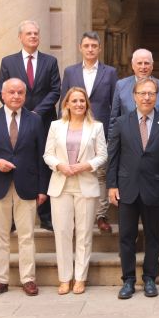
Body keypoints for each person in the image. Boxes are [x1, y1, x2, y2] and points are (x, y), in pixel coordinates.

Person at [0, 78, 48, 298]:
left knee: (26, 235)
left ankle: (28, 279)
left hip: (27, 186)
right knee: (0, 235)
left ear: (25, 96)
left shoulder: (35, 120)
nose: (16, 96)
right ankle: (1, 280)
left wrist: (42, 189)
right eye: (12, 92)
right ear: (2, 94)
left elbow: (41, 156)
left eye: (20, 93)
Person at [107, 78, 159, 299]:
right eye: (142, 93)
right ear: (134, 96)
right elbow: (113, 157)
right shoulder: (121, 122)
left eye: (151, 93)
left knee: (153, 236)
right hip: (127, 189)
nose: (146, 97)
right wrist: (111, 185)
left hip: (155, 189)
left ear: (157, 97)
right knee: (126, 237)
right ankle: (128, 280)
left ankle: (150, 278)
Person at [0, 20, 61, 231]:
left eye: (36, 33)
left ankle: (45, 215)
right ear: (20, 37)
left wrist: (35, 113)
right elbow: (2, 91)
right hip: (16, 122)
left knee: (45, 163)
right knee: (20, 162)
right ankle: (14, 218)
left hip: (43, 121)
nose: (33, 36)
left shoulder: (50, 62)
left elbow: (55, 91)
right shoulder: (8, 62)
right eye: (29, 33)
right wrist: (22, 112)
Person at [43, 87, 107, 295]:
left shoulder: (96, 127)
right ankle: (64, 278)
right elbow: (48, 154)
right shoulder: (55, 126)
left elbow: (102, 156)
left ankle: (80, 277)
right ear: (67, 104)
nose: (79, 104)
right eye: (74, 101)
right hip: (61, 184)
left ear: (86, 104)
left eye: (82, 101)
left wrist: (85, 165)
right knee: (62, 233)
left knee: (84, 234)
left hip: (85, 185)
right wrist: (59, 165)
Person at [61, 31, 117, 234]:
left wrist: (112, 131)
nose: (90, 49)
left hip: (100, 130)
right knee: (76, 169)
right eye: (87, 46)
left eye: (94, 46)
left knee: (100, 173)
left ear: (99, 48)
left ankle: (100, 215)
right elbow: (64, 101)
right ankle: (77, 215)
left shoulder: (109, 72)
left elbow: (115, 103)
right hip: (75, 129)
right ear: (80, 48)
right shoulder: (70, 72)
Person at [110, 48, 159, 123]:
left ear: (152, 66)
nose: (143, 67)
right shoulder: (121, 86)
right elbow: (114, 120)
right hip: (128, 134)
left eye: (146, 63)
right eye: (139, 63)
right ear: (132, 66)